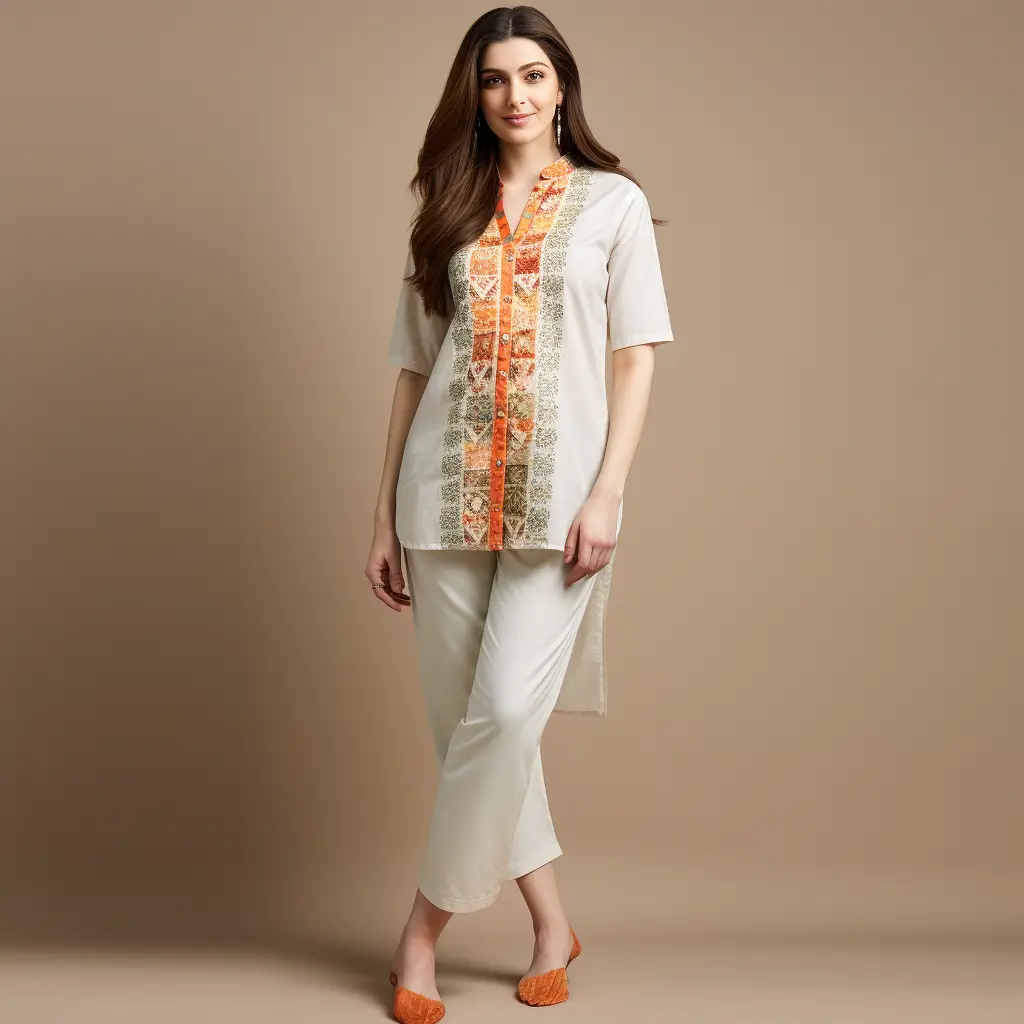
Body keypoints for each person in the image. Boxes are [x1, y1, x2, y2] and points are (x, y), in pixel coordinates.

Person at [365, 7, 674, 1021]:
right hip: (441, 495)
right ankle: (551, 926)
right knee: (473, 730)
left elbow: (635, 357)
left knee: (500, 714)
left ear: (561, 85)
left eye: (533, 75)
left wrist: (609, 490)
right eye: (495, 78)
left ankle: (420, 934)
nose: (515, 96)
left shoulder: (612, 203)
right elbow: (413, 371)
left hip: (558, 498)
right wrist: (381, 518)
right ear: (475, 93)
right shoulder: (446, 207)